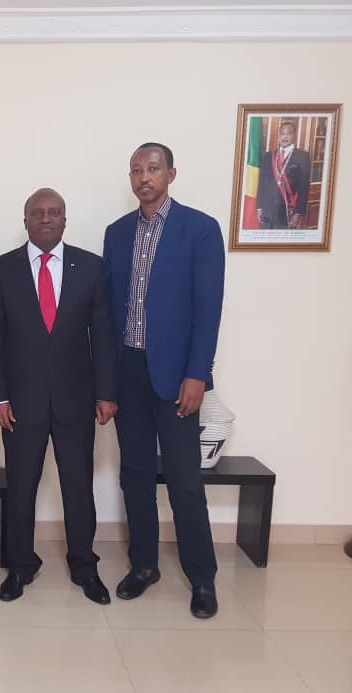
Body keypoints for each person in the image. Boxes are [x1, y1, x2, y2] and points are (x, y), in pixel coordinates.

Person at [102, 143, 225, 619]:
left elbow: (208, 309)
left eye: (152, 169)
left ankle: (202, 577)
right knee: (134, 474)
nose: (143, 177)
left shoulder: (200, 229)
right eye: (136, 170)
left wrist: (198, 374)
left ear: (171, 174)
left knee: (184, 480)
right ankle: (144, 566)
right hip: (128, 373)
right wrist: (107, 383)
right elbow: (108, 313)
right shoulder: (117, 233)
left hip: (177, 375)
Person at [0, 188, 118, 605]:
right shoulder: (1, 269)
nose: (46, 219)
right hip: (19, 403)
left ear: (64, 220)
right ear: (25, 221)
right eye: (38, 213)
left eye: (54, 212)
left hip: (76, 399)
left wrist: (106, 393)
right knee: (20, 486)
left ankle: (84, 566)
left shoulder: (91, 267)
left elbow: (103, 336)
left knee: (78, 486)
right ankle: (20, 565)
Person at [256, 121, 311, 230]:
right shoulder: (269, 156)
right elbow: (262, 183)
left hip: (287, 211)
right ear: (279, 136)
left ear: (294, 135)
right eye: (282, 134)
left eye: (289, 133)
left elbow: (304, 187)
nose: (285, 137)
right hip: (267, 211)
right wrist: (259, 207)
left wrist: (298, 213)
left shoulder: (302, 156)